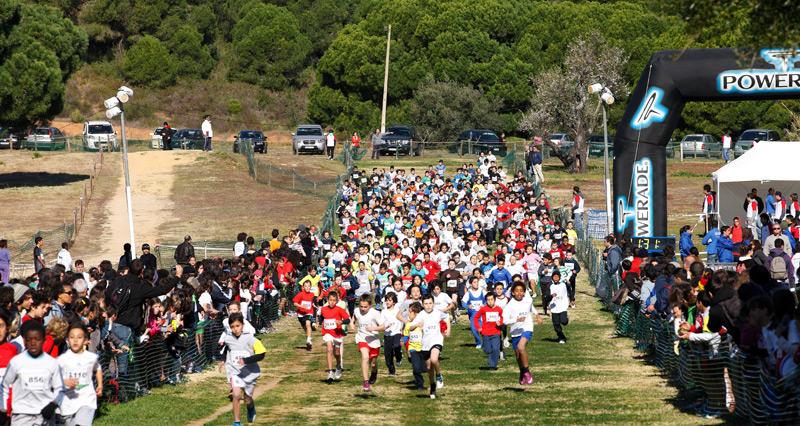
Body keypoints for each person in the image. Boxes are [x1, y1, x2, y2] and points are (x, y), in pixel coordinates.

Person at [1, 320, 63, 425]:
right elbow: (6, 386)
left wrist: (52, 405)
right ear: (24, 341)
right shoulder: (16, 361)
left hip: (43, 416)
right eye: (29, 339)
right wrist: (6, 410)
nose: (33, 343)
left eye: (37, 339)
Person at [219, 313, 265, 426]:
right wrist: (223, 360)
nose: (235, 329)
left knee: (247, 399)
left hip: (250, 372)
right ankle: (236, 422)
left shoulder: (250, 338)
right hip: (235, 372)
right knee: (236, 395)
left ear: (243, 325)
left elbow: (262, 354)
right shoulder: (228, 338)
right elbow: (225, 349)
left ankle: (250, 407)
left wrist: (245, 361)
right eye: (233, 326)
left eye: (238, 326)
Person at [58, 324, 102, 426]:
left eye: (79, 337)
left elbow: (98, 368)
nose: (75, 340)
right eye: (72, 337)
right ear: (67, 340)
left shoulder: (90, 357)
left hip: (87, 399)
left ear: (86, 340)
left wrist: (100, 385)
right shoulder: (62, 359)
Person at [410, 294, 449, 399]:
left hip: (437, 340)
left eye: (430, 303)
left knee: (434, 359)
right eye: (426, 304)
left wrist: (448, 330)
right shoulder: (421, 315)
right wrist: (417, 325)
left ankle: (439, 376)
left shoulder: (438, 312)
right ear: (422, 304)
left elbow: (447, 317)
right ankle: (432, 386)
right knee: (429, 368)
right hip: (425, 344)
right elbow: (410, 327)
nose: (428, 306)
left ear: (434, 303)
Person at [503, 282, 541, 385]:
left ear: (524, 292)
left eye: (521, 291)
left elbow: (531, 307)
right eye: (517, 291)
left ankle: (527, 372)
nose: (519, 293)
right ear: (513, 293)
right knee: (518, 356)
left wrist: (537, 315)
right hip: (515, 332)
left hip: (527, 328)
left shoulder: (528, 300)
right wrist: (516, 319)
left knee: (521, 347)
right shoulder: (509, 305)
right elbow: (505, 321)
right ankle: (522, 372)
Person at [354, 294, 384, 392]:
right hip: (362, 338)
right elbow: (353, 318)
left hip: (374, 340)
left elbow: (383, 327)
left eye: (365, 307)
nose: (362, 309)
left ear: (370, 305)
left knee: (373, 363)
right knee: (365, 357)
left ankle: (374, 372)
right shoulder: (356, 311)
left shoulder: (375, 313)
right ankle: (366, 382)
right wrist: (351, 324)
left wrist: (374, 328)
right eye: (361, 306)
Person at [319, 292, 349, 383]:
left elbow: (347, 319)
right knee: (329, 349)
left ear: (336, 301)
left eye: (333, 300)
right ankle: (330, 372)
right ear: (327, 300)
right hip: (327, 332)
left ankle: (338, 365)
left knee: (336, 352)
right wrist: (318, 323)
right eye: (330, 300)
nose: (332, 302)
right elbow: (321, 317)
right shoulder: (324, 309)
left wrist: (341, 322)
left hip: (337, 333)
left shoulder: (339, 309)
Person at [474, 292, 503, 370]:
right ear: (486, 301)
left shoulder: (499, 309)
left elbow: (502, 318)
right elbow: (476, 318)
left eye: (491, 299)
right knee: (488, 350)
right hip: (485, 333)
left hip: (496, 333)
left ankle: (493, 365)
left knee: (495, 349)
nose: (490, 301)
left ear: (495, 300)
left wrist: (500, 323)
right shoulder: (483, 309)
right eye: (488, 300)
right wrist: (479, 327)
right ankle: (490, 359)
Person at [381, 293, 403, 376]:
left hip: (397, 332)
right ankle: (391, 371)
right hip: (387, 334)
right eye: (386, 300)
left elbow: (401, 319)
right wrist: (385, 326)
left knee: (396, 346)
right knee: (388, 355)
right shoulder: (383, 312)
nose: (387, 302)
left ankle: (399, 358)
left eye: (389, 300)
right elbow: (382, 322)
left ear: (394, 302)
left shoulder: (397, 310)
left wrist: (402, 327)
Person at [292, 280, 316, 351]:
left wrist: (314, 305)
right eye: (306, 286)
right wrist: (302, 306)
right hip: (300, 314)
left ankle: (308, 340)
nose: (307, 287)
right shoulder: (300, 294)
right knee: (305, 327)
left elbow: (311, 302)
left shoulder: (312, 294)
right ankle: (309, 338)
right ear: (303, 287)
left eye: (309, 286)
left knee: (308, 324)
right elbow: (295, 303)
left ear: (311, 287)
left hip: (309, 312)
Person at [548, 271, 570, 344]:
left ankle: (566, 320)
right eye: (554, 277)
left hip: (563, 305)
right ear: (552, 278)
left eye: (557, 277)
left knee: (563, 322)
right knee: (556, 325)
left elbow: (569, 290)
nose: (556, 278)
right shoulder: (550, 286)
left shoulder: (563, 285)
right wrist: (551, 296)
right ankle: (561, 337)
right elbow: (546, 296)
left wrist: (572, 298)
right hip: (554, 307)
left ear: (559, 277)